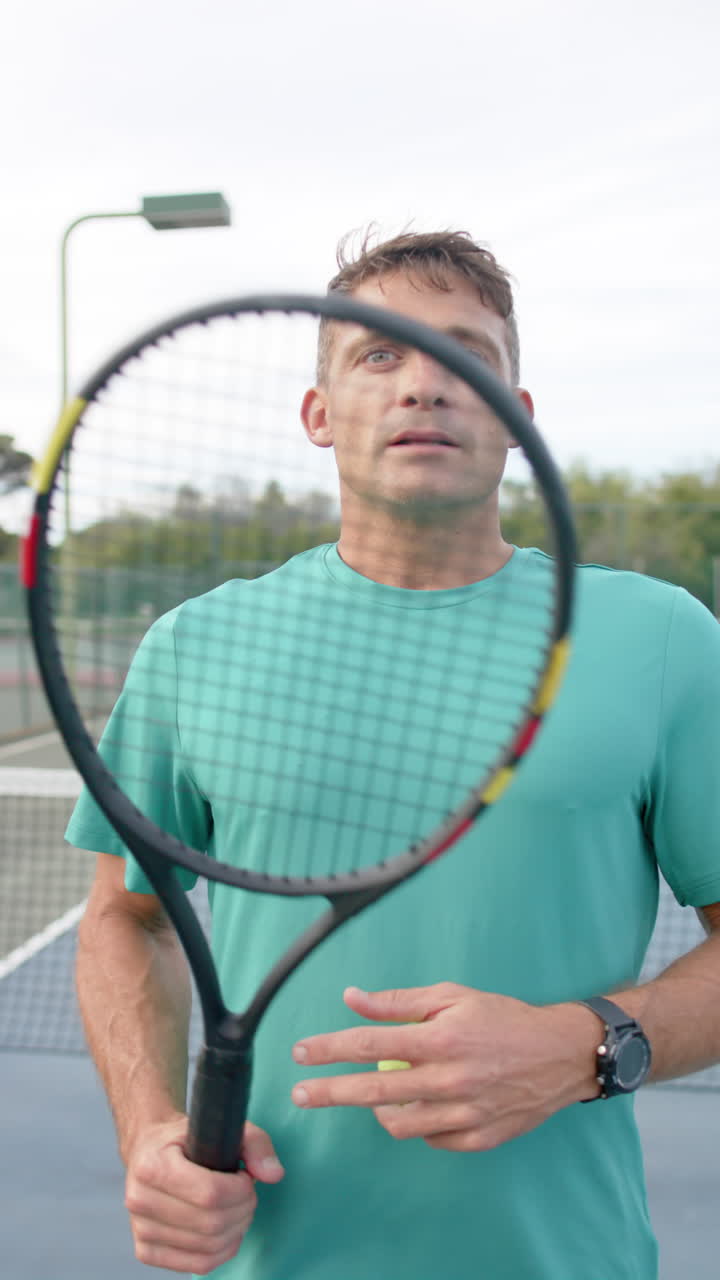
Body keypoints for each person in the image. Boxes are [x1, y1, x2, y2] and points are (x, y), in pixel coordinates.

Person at [68, 229, 720, 1280]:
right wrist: (147, 1128)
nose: (425, 382)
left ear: (519, 415)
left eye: (466, 353)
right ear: (319, 416)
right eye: (380, 354)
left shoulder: (663, 640)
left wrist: (583, 1044)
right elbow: (126, 915)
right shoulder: (195, 646)